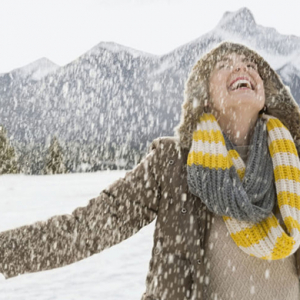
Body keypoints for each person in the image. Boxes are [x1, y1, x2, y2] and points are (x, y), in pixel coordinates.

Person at [1, 41, 300, 300]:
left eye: (251, 65)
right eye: (224, 64)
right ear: (205, 98)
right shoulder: (173, 163)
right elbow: (87, 227)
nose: (242, 68)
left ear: (266, 92)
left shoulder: (292, 164)